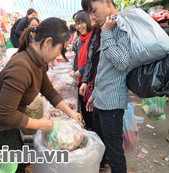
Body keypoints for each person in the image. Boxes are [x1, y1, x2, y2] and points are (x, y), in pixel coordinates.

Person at [0, 17, 82, 173]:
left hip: (9, 124)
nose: (59, 55)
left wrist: (70, 113)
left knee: (20, 161)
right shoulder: (21, 67)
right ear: (48, 42)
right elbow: (4, 114)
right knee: (15, 168)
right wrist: (40, 124)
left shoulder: (36, 61)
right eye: (60, 49)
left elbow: (48, 90)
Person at [81, 0, 131, 173]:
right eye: (89, 13)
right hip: (101, 98)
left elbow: (121, 62)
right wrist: (94, 93)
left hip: (112, 105)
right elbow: (103, 67)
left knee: (114, 153)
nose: (92, 17)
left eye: (94, 11)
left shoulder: (120, 25)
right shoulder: (106, 27)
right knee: (100, 143)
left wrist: (106, 33)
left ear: (107, 2)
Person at [69, 12, 93, 130]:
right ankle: (89, 128)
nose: (80, 26)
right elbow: (78, 59)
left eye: (82, 22)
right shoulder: (81, 40)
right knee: (84, 109)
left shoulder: (93, 39)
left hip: (90, 81)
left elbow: (92, 62)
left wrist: (81, 72)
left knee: (90, 112)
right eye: (77, 24)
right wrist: (74, 71)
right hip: (82, 80)